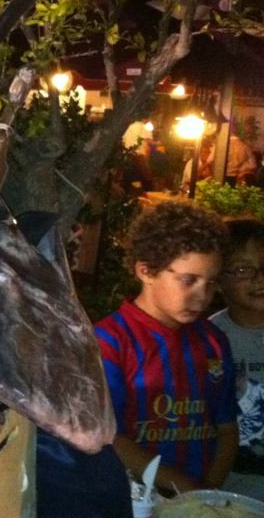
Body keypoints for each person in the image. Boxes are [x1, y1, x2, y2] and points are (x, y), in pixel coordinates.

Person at [95, 202, 238, 494]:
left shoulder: (213, 340)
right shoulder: (108, 342)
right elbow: (109, 437)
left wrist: (206, 496)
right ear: (146, 271)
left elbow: (226, 429)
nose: (203, 297)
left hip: (200, 503)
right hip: (132, 504)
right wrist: (188, 492)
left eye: (211, 283)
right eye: (188, 281)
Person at [212, 219, 264, 499]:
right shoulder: (208, 340)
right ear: (218, 280)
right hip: (227, 496)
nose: (259, 277)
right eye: (244, 269)